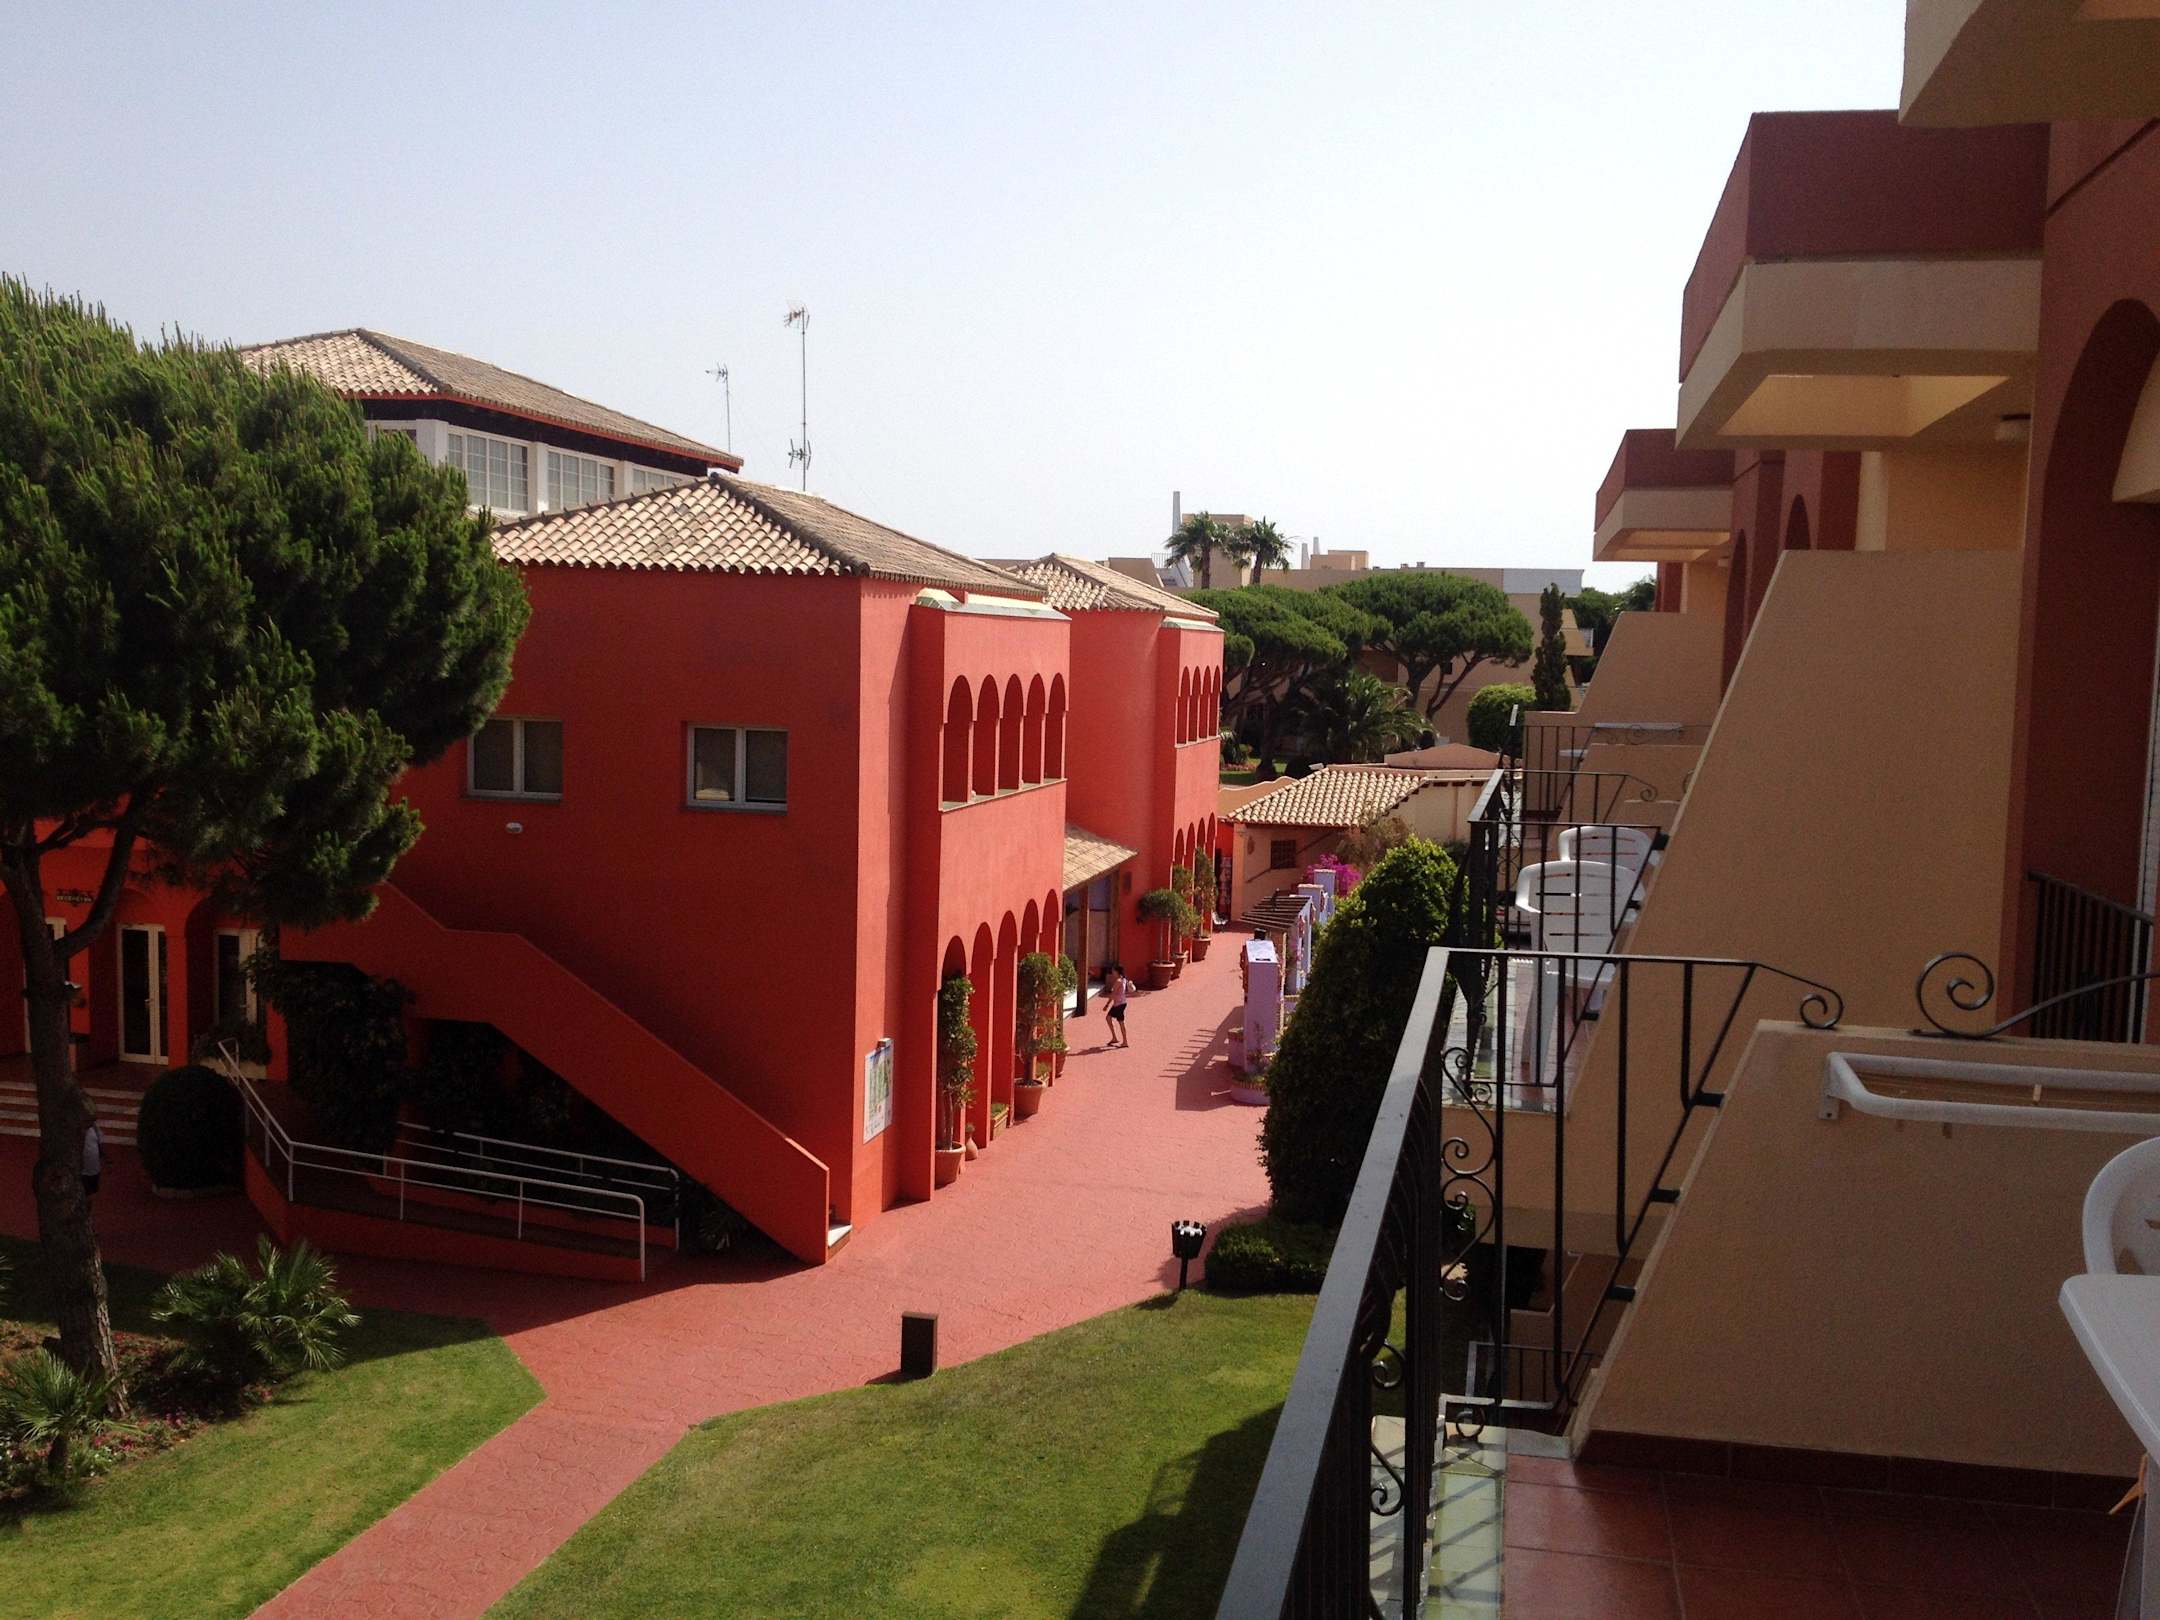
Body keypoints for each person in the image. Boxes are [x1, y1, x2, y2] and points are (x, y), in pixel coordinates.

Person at [1103, 963, 1132, 1049]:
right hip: (1120, 1003)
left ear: (1117, 971)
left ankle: (1124, 1041)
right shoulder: (1124, 979)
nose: (1112, 972)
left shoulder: (1118, 981)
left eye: (1113, 970)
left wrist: (1107, 1005)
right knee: (1109, 1018)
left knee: (1120, 1022)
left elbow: (1113, 994)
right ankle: (1115, 1038)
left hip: (1119, 1004)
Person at [81, 1110, 103, 1200]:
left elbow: (100, 1143)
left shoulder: (95, 1128)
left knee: (92, 1192)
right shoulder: (77, 1130)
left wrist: (105, 1159)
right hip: (81, 1169)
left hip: (94, 1167)